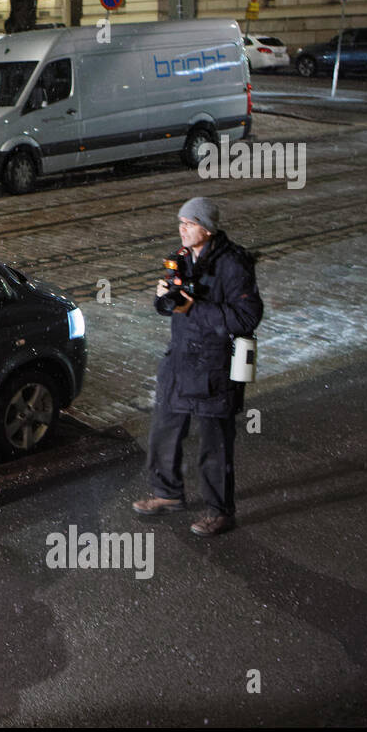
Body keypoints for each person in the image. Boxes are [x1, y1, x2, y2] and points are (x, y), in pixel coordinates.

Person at [133, 197, 263, 536]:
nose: (182, 229)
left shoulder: (233, 264)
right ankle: (167, 493)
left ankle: (220, 510)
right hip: (178, 359)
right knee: (164, 428)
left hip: (214, 365)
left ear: (206, 228)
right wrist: (164, 297)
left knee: (214, 443)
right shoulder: (180, 257)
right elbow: (172, 303)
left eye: (189, 224)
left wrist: (194, 308)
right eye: (180, 222)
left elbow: (247, 317)